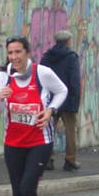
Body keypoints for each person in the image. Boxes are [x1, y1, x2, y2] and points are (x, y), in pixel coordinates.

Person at [0, 36, 67, 196]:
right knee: (17, 193)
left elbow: (62, 90)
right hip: (13, 141)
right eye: (10, 53)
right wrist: (1, 99)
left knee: (28, 188)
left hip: (39, 141)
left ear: (27, 53)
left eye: (18, 52)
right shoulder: (4, 76)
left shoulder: (41, 73)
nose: (14, 57)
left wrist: (51, 109)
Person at [40, 30, 81, 171]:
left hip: (50, 100)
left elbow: (41, 78)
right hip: (68, 99)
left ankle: (48, 160)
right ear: (68, 41)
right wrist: (75, 101)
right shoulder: (71, 57)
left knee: (48, 130)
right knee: (70, 131)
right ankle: (70, 160)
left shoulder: (46, 57)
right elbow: (74, 81)